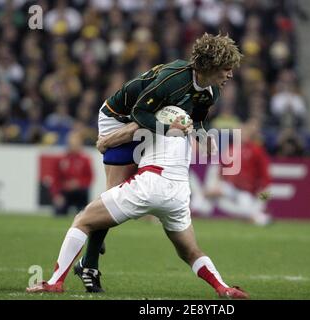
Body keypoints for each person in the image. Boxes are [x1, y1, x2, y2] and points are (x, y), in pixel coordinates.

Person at [74, 32, 243, 292]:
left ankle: (91, 246)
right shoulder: (173, 78)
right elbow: (138, 112)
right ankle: (90, 265)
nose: (231, 74)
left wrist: (203, 138)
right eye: (227, 68)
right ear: (210, 67)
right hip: (119, 117)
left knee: (110, 204)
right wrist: (166, 129)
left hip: (149, 121)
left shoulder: (211, 91)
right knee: (112, 194)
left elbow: (196, 120)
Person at [26, 125, 249, 299]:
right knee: (190, 251)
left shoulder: (156, 110)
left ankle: (56, 282)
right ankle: (223, 287)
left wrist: (105, 141)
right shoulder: (191, 119)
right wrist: (199, 133)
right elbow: (211, 149)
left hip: (150, 184)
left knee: (83, 220)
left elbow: (131, 130)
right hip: (179, 193)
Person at [52, 131, 93, 216]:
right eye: (72, 144)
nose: (74, 146)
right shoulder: (61, 159)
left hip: (80, 192)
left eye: (76, 144)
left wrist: (79, 183)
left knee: (83, 216)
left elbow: (89, 177)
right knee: (59, 213)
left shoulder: (85, 160)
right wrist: (57, 195)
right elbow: (56, 179)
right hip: (65, 192)